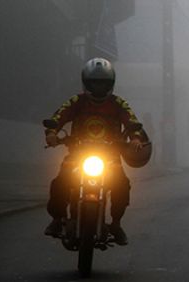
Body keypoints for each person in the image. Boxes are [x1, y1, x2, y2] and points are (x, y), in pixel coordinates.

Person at [44, 57, 149, 245]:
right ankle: (57, 219)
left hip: (110, 158)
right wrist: (52, 132)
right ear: (86, 82)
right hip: (77, 155)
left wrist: (135, 138)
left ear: (111, 84)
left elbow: (132, 122)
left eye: (103, 84)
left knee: (122, 185)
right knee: (59, 182)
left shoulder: (119, 104)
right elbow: (59, 116)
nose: (98, 88)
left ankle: (115, 223)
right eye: (94, 83)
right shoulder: (77, 101)